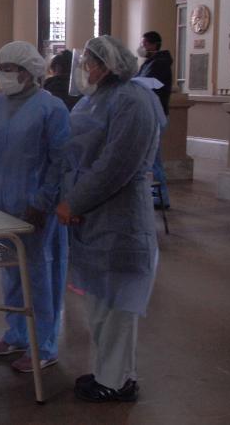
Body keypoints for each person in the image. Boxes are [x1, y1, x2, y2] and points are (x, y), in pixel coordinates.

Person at [55, 35, 165, 403]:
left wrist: (75, 202)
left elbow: (115, 166)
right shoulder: (100, 98)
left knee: (116, 307)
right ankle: (111, 373)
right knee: (101, 304)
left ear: (107, 64)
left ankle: (116, 382)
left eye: (90, 61)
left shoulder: (133, 101)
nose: (85, 68)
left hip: (119, 217)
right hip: (97, 216)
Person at [0, 41, 69, 373]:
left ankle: (45, 346)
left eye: (10, 69)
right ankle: (17, 334)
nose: (4, 74)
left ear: (29, 72)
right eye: (0, 68)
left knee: (40, 274)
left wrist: (43, 201)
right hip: (3, 204)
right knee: (11, 272)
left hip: (38, 208)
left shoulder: (52, 108)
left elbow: (61, 162)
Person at [137, 31, 172, 208]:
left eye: (144, 44)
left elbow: (148, 85)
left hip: (155, 115)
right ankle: (157, 197)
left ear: (153, 45)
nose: (142, 47)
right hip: (151, 114)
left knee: (154, 159)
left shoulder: (160, 64)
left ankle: (162, 198)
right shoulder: (150, 63)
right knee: (152, 158)